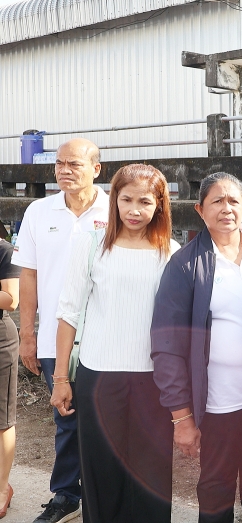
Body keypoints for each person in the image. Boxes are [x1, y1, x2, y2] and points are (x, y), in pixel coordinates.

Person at [50, 164, 180, 523]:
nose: (134, 210)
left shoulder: (170, 251)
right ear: (114, 200)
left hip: (153, 380)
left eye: (145, 202)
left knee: (151, 475)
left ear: (159, 204)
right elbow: (68, 313)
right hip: (99, 376)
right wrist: (61, 378)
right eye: (126, 200)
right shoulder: (91, 244)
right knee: (101, 472)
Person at [151, 172, 242, 523]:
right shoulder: (186, 264)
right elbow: (166, 346)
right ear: (200, 209)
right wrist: (182, 418)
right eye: (217, 201)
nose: (226, 208)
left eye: (233, 200)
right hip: (219, 405)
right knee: (216, 490)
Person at [12, 137, 109, 523]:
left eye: (74, 164)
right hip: (56, 337)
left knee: (105, 421)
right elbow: (29, 276)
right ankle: (67, 495)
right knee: (66, 418)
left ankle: (105, 495)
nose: (64, 171)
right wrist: (28, 334)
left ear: (96, 169)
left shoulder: (116, 209)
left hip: (106, 337)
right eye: (59, 164)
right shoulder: (39, 211)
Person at [0, 239, 19, 519]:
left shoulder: (4, 249)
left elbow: (11, 299)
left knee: (2, 419)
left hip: (1, 341)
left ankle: (2, 487)